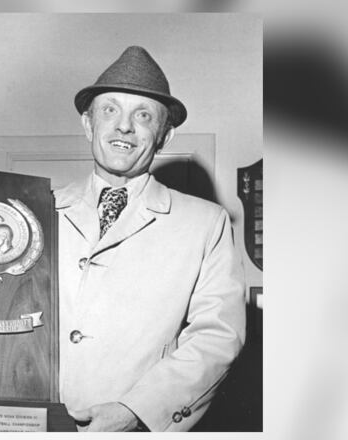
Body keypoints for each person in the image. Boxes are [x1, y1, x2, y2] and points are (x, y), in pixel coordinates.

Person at [54, 46, 246, 432]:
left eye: (142, 115)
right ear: (88, 125)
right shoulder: (33, 212)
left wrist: (135, 411)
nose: (124, 126)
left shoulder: (206, 222)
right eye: (110, 110)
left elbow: (217, 337)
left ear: (164, 135)